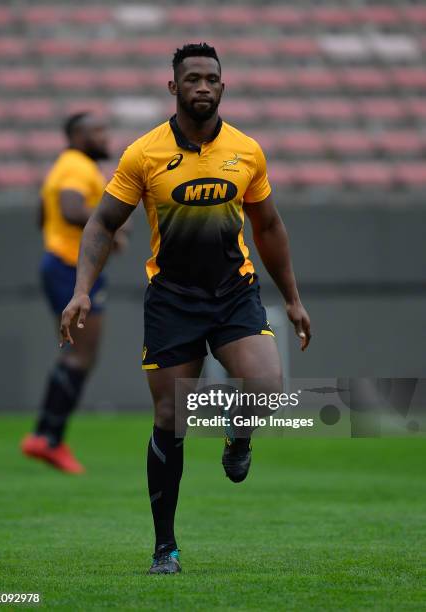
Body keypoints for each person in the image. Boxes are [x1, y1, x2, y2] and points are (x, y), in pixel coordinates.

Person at [59, 44, 311, 572]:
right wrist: (82, 288)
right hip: (173, 299)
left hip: (234, 293)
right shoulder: (143, 154)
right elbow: (103, 222)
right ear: (173, 88)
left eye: (211, 78)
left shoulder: (246, 151)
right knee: (171, 418)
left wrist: (291, 297)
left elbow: (267, 226)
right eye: (192, 78)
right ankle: (164, 548)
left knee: (267, 388)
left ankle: (237, 438)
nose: (202, 86)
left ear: (223, 86)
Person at [21, 112, 128, 474]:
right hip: (71, 269)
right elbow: (69, 209)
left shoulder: (62, 166)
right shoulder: (78, 167)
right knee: (81, 357)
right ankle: (48, 439)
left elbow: (42, 215)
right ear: (78, 136)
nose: (104, 136)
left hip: (59, 263)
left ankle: (47, 436)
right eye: (97, 130)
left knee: (76, 355)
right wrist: (110, 228)